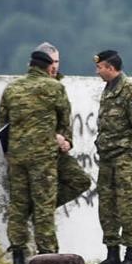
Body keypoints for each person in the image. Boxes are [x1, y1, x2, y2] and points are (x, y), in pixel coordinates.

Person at [0, 50, 73, 264]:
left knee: (18, 206)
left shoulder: (12, 88)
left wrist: (10, 152)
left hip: (17, 156)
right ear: (48, 67)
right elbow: (65, 121)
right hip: (43, 157)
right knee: (44, 206)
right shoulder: (55, 88)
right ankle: (46, 257)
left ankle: (18, 259)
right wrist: (64, 141)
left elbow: (2, 125)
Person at [92, 50, 132, 264]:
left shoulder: (131, 91)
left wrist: (129, 151)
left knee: (125, 207)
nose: (97, 71)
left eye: (100, 67)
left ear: (110, 67)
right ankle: (112, 255)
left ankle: (131, 256)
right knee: (106, 207)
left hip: (124, 161)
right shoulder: (108, 91)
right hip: (107, 159)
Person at [34, 42, 91, 208]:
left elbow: (65, 120)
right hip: (38, 152)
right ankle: (41, 208)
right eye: (51, 62)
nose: (55, 66)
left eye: (57, 62)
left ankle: (44, 207)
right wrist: (54, 138)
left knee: (81, 180)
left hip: (58, 152)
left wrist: (67, 141)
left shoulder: (60, 86)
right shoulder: (31, 86)